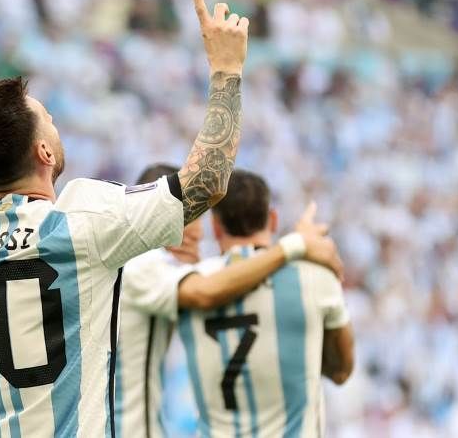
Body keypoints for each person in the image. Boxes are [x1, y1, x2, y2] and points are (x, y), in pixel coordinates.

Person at [0, 0, 249, 437]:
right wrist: (227, 70)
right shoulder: (81, 222)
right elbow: (207, 182)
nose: (54, 123)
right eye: (48, 118)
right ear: (45, 153)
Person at [114, 164, 343, 438]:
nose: (195, 233)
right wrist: (294, 246)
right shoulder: (140, 265)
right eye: (187, 216)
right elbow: (205, 292)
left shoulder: (137, 264)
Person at [178, 169, 354, 437]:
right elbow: (341, 371)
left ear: (215, 227)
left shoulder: (191, 282)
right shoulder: (314, 277)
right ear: (273, 219)